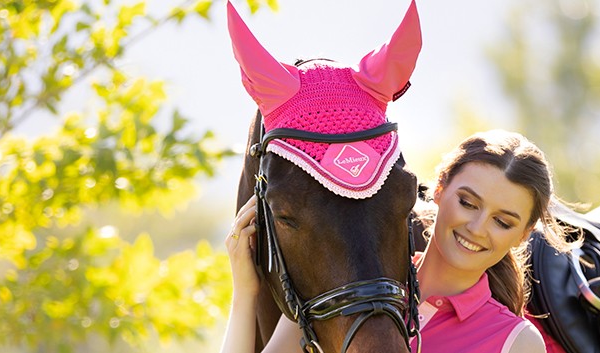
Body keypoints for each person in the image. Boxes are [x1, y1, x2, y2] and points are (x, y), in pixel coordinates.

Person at [222, 130, 567, 353]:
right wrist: (245, 295)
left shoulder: (516, 342)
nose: (477, 228)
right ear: (439, 189)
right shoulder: (345, 287)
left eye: (502, 221)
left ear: (523, 235)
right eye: (467, 203)